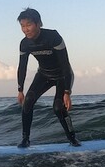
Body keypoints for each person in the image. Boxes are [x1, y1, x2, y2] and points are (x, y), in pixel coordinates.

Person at [16, 8, 79, 148]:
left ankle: (72, 139)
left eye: (29, 25)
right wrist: (20, 90)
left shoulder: (53, 37)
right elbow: (22, 67)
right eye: (22, 26)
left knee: (58, 108)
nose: (26, 29)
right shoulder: (25, 43)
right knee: (28, 102)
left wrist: (67, 92)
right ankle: (25, 139)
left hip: (62, 75)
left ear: (39, 23)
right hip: (44, 74)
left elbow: (65, 64)